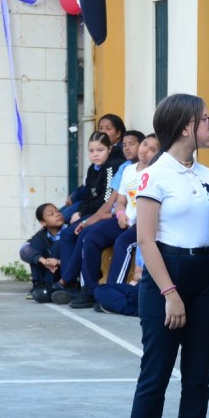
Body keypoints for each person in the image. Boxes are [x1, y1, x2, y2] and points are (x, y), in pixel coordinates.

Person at [122, 94, 209, 418]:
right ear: (186, 126)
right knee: (155, 376)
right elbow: (145, 239)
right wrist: (170, 293)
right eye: (206, 119)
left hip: (206, 277)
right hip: (166, 275)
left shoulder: (206, 174)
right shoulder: (155, 175)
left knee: (198, 379)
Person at [68, 134, 158, 309]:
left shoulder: (156, 174)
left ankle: (111, 294)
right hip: (123, 220)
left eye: (152, 149)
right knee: (90, 238)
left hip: (142, 225)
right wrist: (120, 214)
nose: (145, 150)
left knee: (123, 243)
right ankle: (89, 290)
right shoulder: (128, 170)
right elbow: (121, 201)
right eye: (145, 145)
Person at [50, 131, 124, 303]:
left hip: (107, 214)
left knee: (83, 233)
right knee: (67, 233)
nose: (95, 154)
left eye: (100, 150)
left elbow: (105, 201)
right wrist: (79, 212)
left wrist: (82, 215)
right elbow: (88, 197)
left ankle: (67, 281)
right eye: (91, 151)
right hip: (93, 212)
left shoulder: (112, 166)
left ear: (109, 149)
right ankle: (71, 284)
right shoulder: (93, 168)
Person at [59, 114, 128, 222]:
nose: (103, 132)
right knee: (57, 217)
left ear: (118, 133)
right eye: (100, 128)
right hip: (89, 204)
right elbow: (88, 190)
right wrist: (76, 198)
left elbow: (105, 199)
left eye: (108, 128)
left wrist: (81, 211)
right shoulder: (94, 165)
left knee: (62, 220)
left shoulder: (115, 160)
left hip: (102, 210)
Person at [19, 203, 66, 302]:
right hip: (50, 270)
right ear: (43, 222)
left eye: (58, 211)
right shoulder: (42, 235)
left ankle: (60, 288)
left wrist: (58, 262)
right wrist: (43, 261)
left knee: (57, 246)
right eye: (51, 214)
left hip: (65, 271)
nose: (57, 214)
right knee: (34, 251)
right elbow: (24, 250)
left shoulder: (70, 230)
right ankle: (39, 286)